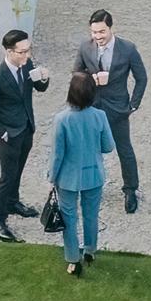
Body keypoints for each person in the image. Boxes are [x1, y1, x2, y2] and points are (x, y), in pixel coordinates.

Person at [0, 29, 50, 243]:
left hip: (26, 127)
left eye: (28, 50)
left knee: (18, 171)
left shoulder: (26, 64)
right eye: (22, 52)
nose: (27, 56)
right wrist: (2, 133)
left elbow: (38, 87)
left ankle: (13, 201)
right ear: (9, 52)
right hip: (9, 134)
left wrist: (44, 79)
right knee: (7, 177)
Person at [74, 9, 148, 214]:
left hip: (118, 108)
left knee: (125, 150)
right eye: (94, 32)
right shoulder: (85, 47)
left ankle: (131, 190)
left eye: (102, 32)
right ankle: (89, 187)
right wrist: (91, 79)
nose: (98, 36)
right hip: (92, 107)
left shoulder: (128, 49)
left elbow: (141, 78)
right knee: (89, 149)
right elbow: (76, 73)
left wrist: (133, 105)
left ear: (111, 29)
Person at [49, 71, 115, 277]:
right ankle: (90, 250)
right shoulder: (100, 116)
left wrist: (52, 176)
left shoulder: (62, 119)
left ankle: (72, 259)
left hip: (68, 178)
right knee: (91, 215)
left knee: (69, 218)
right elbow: (108, 147)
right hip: (94, 175)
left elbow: (57, 155)